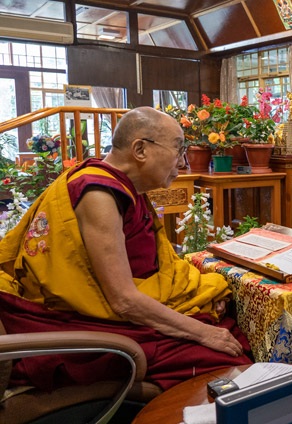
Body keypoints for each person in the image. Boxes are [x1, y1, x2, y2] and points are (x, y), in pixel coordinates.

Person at [0, 107, 251, 392]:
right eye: (178, 149)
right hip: (89, 323)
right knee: (227, 361)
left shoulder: (124, 188)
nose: (182, 162)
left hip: (119, 314)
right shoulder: (98, 194)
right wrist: (203, 332)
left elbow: (153, 266)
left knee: (231, 330)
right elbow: (123, 301)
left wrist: (200, 290)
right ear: (140, 149)